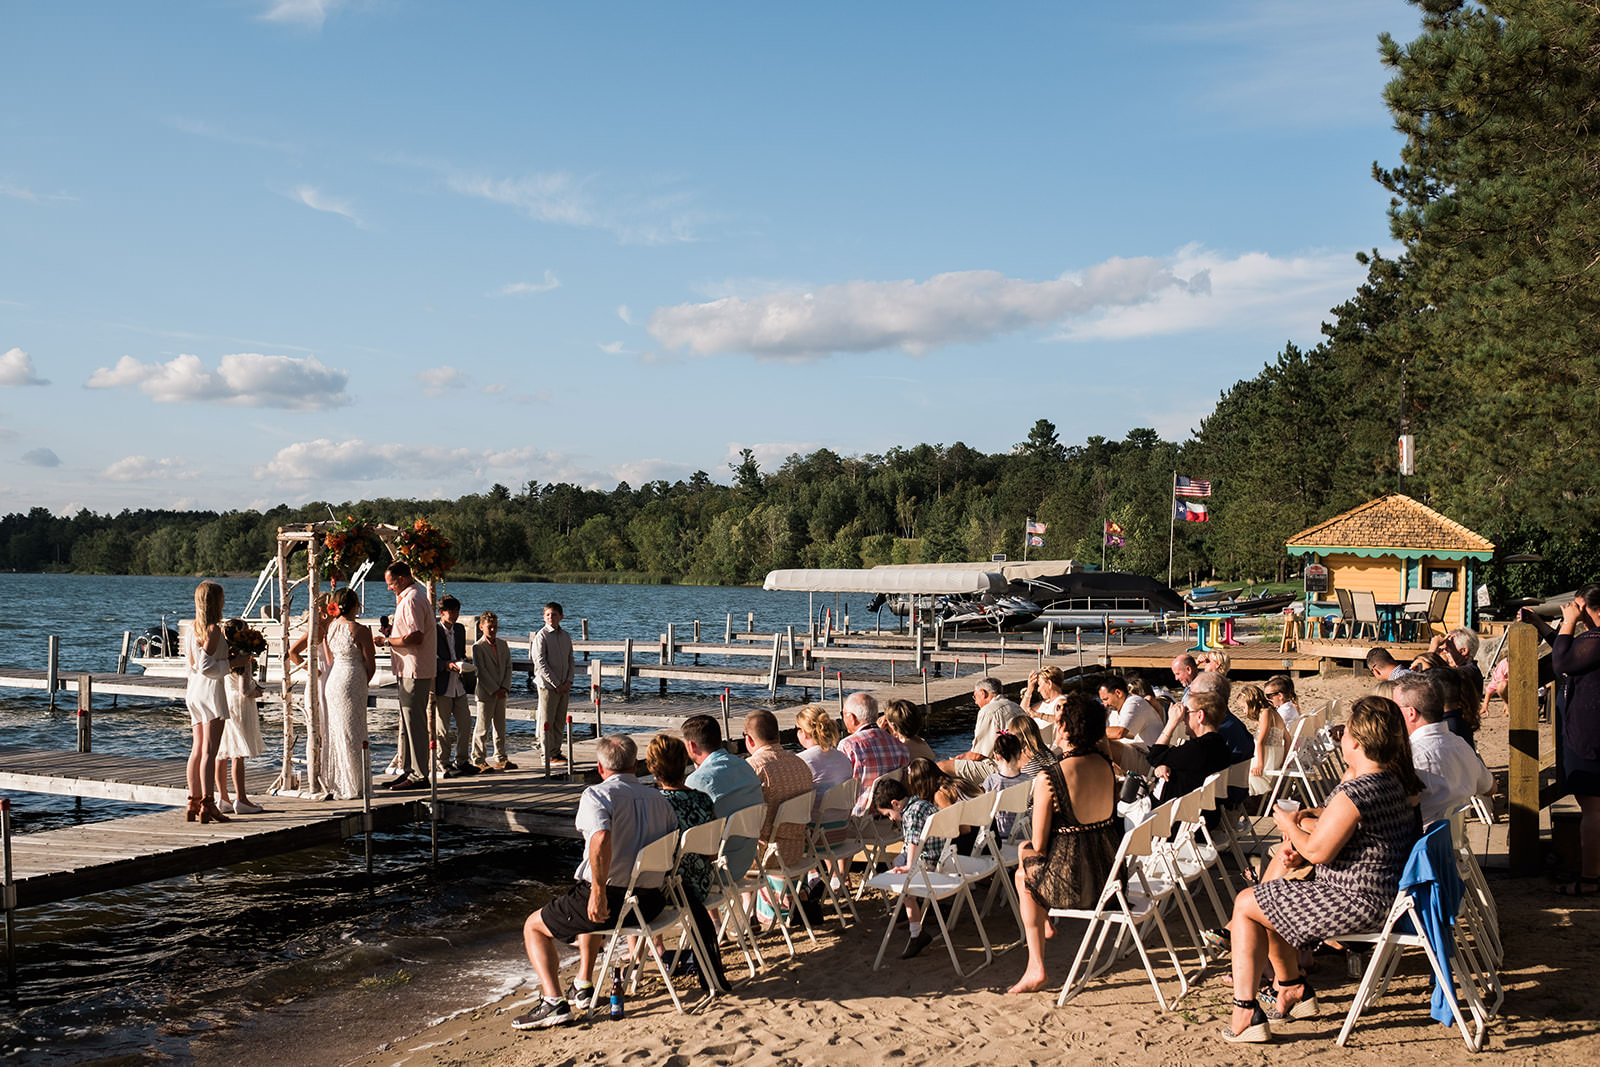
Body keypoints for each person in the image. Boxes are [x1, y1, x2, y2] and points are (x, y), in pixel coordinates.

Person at [1223, 697, 1422, 1043]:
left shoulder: (1358, 791)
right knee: (1268, 900)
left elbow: (1319, 851)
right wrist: (1304, 832)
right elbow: (1344, 836)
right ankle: (1291, 989)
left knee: (1246, 903)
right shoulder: (1392, 781)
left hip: (1357, 901)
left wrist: (1288, 821)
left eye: (1344, 733)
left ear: (1356, 743)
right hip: (1384, 894)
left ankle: (1245, 1011)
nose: (1341, 738)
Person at [514, 735, 678, 1031]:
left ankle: (552, 1001)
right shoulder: (660, 801)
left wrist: (599, 892)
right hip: (651, 902)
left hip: (614, 899)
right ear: (637, 765)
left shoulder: (597, 795)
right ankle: (583, 981)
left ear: (600, 768)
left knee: (534, 926)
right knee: (584, 899)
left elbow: (600, 837)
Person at [1007, 690, 1120, 994]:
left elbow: (1040, 844)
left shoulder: (1050, 777)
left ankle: (1036, 965)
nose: (1055, 728)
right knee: (1024, 858)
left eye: (1059, 722)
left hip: (1076, 883)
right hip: (1110, 876)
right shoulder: (1105, 765)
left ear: (1068, 729)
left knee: (1023, 869)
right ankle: (1043, 925)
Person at [1522, 586, 1600, 896]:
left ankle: (1592, 879)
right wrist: (1543, 627)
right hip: (1591, 731)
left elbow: (1564, 662)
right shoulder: (1593, 640)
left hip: (1591, 734)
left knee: (1593, 809)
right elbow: (1571, 651)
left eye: (1576, 605)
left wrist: (1567, 621)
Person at [645, 733, 727, 992]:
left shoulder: (655, 805)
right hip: (701, 885)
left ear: (652, 769)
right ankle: (652, 949)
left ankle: (650, 950)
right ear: (685, 763)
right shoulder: (703, 799)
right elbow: (713, 853)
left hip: (670, 893)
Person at [1394, 674, 1493, 826]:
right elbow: (1490, 787)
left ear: (1411, 713)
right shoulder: (1460, 744)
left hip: (1419, 842)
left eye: (1395, 708)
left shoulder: (1411, 756)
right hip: (1452, 841)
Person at [373, 561, 436, 790]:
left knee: (415, 722)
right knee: (409, 721)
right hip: (410, 667)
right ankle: (409, 770)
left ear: (400, 579)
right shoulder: (415, 596)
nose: (389, 588)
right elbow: (410, 633)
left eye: (391, 584)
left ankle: (419, 775)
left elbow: (416, 637)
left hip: (413, 668)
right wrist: (393, 633)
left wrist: (386, 641)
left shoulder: (411, 599)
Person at [682, 714, 765, 879]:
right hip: (747, 860)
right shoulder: (745, 766)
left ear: (691, 746)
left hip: (719, 870)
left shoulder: (698, 780)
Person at [868, 774, 942, 960]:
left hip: (928, 862)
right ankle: (912, 914)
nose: (891, 819)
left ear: (895, 804)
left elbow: (913, 841)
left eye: (888, 814)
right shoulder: (923, 803)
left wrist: (909, 865)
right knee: (898, 863)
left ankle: (916, 932)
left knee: (902, 877)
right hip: (942, 856)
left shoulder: (911, 813)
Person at [184, 581, 233, 824]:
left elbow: (193, 665)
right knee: (209, 751)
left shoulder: (192, 629)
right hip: (210, 692)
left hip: (194, 691)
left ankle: (193, 801)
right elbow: (205, 666)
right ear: (216, 602)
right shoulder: (213, 630)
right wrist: (233, 664)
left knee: (197, 749)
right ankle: (208, 803)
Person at [323, 587, 377, 801]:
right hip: (352, 678)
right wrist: (363, 681)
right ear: (355, 605)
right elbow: (370, 664)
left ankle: (340, 781)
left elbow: (329, 660)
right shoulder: (360, 629)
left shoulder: (331, 627)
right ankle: (356, 785)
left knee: (337, 731)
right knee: (354, 732)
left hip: (334, 679)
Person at [744, 709, 813, 869]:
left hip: (765, 855)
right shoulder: (800, 764)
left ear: (749, 740)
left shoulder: (753, 768)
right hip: (796, 850)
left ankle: (753, 895)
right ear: (778, 736)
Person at [1147, 689, 1234, 803]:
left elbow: (1154, 756)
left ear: (1200, 716)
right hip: (1201, 812)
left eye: (1186, 712)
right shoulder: (1219, 744)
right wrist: (1165, 764)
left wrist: (1171, 723)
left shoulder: (1199, 748)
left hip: (1176, 816)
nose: (1183, 717)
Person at [216, 618, 266, 815]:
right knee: (237, 753)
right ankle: (242, 799)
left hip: (223, 701)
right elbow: (245, 690)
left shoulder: (222, 654)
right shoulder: (243, 656)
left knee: (222, 752)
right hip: (239, 705)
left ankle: (223, 798)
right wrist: (259, 692)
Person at [941, 677, 1024, 784]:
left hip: (1001, 767)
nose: (975, 702)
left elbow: (978, 754)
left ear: (983, 693)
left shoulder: (988, 711)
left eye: (975, 697)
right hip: (1018, 762)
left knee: (942, 767)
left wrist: (958, 759)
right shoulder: (1016, 706)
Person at [838, 692, 910, 816]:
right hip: (889, 814)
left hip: (858, 816)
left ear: (852, 717)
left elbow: (839, 787)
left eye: (843, 714)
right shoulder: (899, 746)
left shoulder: (848, 746)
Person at [433, 595, 477, 778]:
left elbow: (460, 653)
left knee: (465, 722)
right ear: (441, 613)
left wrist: (463, 663)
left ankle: (462, 760)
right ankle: (442, 762)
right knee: (442, 728)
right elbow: (429, 659)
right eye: (451, 612)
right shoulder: (434, 630)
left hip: (458, 683)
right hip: (442, 684)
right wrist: (445, 665)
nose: (454, 615)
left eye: (457, 611)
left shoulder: (459, 629)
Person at [471, 610, 516, 771]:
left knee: (500, 727)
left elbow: (509, 667)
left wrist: (504, 687)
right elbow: (480, 671)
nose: (493, 630)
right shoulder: (478, 647)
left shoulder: (503, 645)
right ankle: (478, 758)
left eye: (495, 626)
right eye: (489, 627)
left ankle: (501, 757)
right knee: (482, 728)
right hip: (486, 692)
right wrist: (494, 689)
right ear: (481, 627)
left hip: (501, 691)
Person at [795, 704, 855, 823]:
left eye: (796, 728)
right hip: (842, 827)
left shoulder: (801, 762)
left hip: (814, 831)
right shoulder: (843, 757)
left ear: (804, 733)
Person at [532, 602, 575, 763]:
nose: (551, 617)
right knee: (546, 721)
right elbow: (540, 662)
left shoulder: (565, 636)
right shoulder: (541, 636)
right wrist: (556, 683)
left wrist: (569, 681)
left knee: (559, 720)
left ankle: (556, 751)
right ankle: (546, 754)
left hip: (564, 685)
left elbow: (571, 659)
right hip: (548, 686)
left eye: (554, 614)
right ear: (543, 617)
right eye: (548, 615)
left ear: (561, 617)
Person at [1097, 673, 1164, 774]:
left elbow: (1120, 733)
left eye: (1106, 699)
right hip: (1134, 754)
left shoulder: (1134, 702)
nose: (1104, 704)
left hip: (1149, 759)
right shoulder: (1115, 710)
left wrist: (1089, 731)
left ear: (1118, 693)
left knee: (1100, 742)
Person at [1239, 683, 1287, 797]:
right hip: (1275, 754)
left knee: (1242, 771)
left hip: (1267, 757)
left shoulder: (1266, 713)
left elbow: (1261, 742)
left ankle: (1254, 801)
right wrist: (1285, 758)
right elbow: (1288, 739)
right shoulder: (1274, 712)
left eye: (1243, 707)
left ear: (1251, 703)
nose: (1243, 712)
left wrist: (1260, 765)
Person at [981, 732, 1031, 839]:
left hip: (998, 833)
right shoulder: (1028, 780)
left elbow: (985, 809)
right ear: (1019, 754)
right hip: (1022, 831)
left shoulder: (991, 781)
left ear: (996, 755)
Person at [882, 699, 937, 764]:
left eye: (887, 722)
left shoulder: (898, 749)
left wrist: (878, 732)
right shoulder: (923, 743)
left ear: (893, 725)